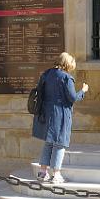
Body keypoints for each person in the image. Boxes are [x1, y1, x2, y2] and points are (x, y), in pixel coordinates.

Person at [32, 52, 89, 184]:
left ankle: (42, 173)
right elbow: (73, 97)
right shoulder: (66, 78)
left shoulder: (46, 74)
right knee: (60, 144)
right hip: (60, 114)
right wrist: (83, 91)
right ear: (67, 65)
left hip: (46, 113)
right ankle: (56, 174)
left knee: (48, 143)